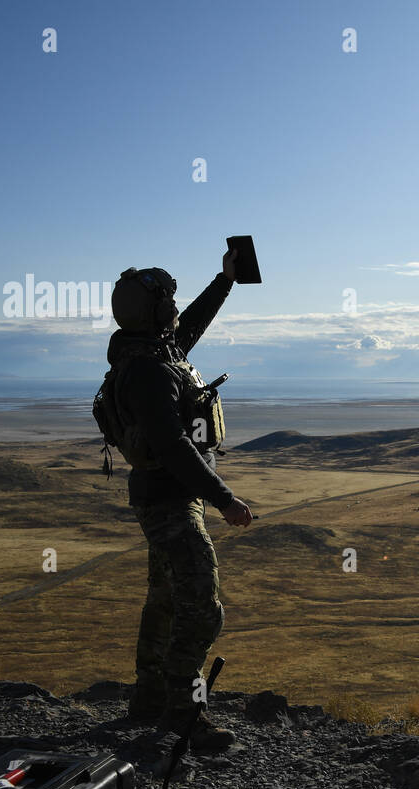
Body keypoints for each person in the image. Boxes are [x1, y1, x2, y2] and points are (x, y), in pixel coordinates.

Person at [104, 248, 252, 752]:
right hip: (170, 500)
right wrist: (224, 499)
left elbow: (191, 326)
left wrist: (225, 280)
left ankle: (148, 702)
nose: (174, 306)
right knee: (203, 608)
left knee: (165, 601)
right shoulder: (148, 370)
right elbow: (172, 444)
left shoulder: (153, 352)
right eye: (167, 299)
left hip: (167, 498)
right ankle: (183, 713)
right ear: (150, 310)